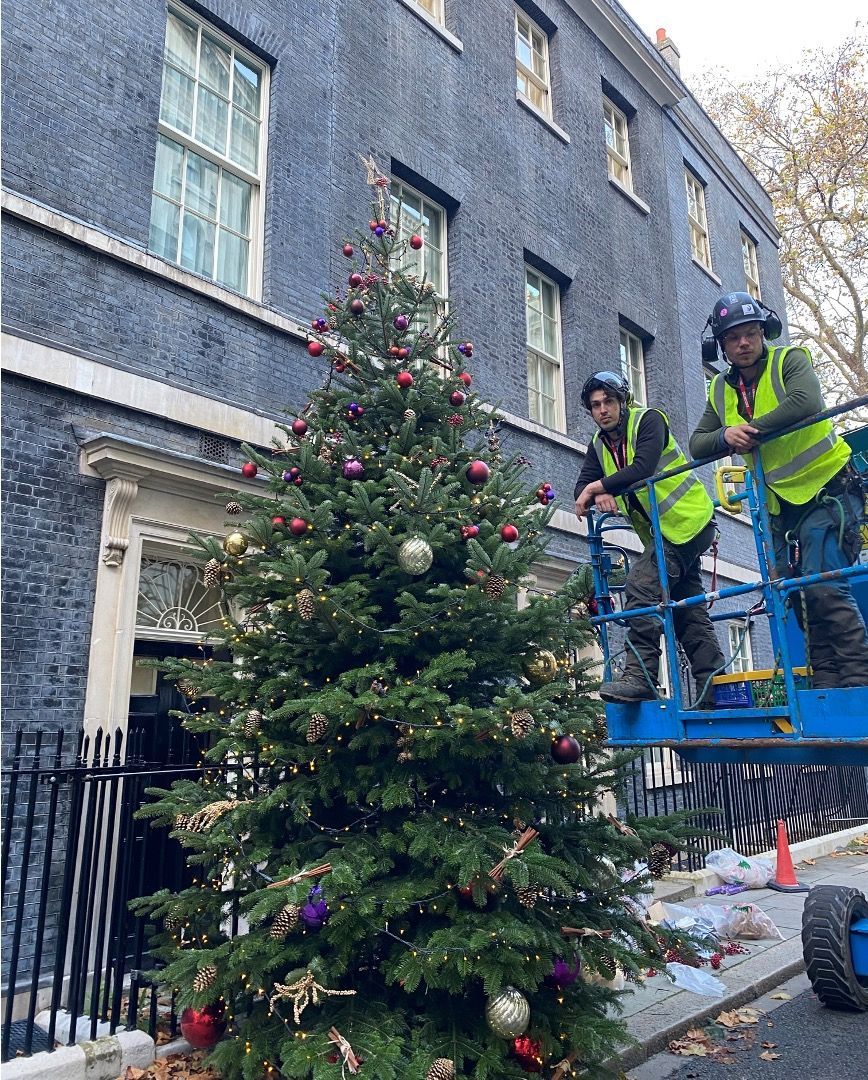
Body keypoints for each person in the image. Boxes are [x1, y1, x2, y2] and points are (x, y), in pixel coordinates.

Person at [690, 291, 868, 688]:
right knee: (796, 595)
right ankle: (826, 682)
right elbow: (698, 443)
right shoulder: (719, 389)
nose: (743, 343)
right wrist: (725, 434)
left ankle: (859, 682)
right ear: (721, 345)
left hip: (829, 493)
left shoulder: (791, 360)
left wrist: (750, 432)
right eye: (733, 338)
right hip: (781, 510)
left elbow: (806, 402)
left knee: (822, 585)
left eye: (751, 333)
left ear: (763, 333)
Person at [574, 371, 725, 705]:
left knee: (640, 588)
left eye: (609, 401)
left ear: (623, 401)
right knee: (689, 611)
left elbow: (642, 467)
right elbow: (580, 489)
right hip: (664, 534)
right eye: (595, 405)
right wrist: (595, 490)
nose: (602, 410)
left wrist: (600, 487)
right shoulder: (599, 445)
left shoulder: (649, 420)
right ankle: (714, 687)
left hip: (689, 522)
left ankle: (641, 677)